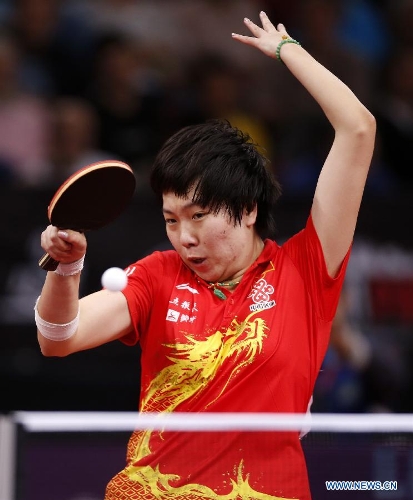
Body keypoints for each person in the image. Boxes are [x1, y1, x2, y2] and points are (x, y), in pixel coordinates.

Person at [34, 11, 376, 500]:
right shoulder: (158, 275)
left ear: (248, 209)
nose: (183, 236)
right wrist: (67, 270)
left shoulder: (305, 271)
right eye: (172, 220)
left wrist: (288, 51)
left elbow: (358, 128)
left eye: (198, 216)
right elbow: (59, 337)